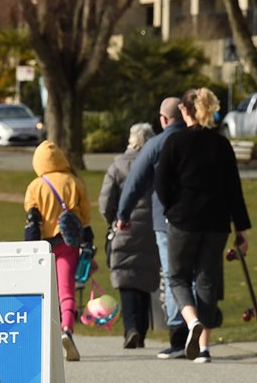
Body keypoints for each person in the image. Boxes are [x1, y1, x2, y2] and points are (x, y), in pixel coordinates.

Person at [154, 87, 252, 364]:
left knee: (178, 277)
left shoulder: (174, 143)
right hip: (217, 221)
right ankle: (205, 347)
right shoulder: (221, 144)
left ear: (184, 110)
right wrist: (240, 228)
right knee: (207, 279)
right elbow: (234, 189)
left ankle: (191, 320)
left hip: (184, 219)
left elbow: (161, 183)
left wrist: (172, 208)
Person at [116, 96, 188, 359]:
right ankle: (198, 330)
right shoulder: (197, 140)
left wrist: (123, 213)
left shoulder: (157, 144)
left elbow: (135, 182)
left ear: (164, 119)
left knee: (172, 276)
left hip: (165, 219)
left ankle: (178, 333)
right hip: (200, 220)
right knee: (195, 275)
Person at [24, 140, 92, 361]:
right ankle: (67, 330)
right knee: (66, 290)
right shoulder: (74, 182)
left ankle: (43, 338)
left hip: (44, 246)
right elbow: (85, 216)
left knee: (43, 292)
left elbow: (32, 216)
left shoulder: (35, 186)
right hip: (68, 242)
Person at [99, 123, 159, 348]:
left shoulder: (117, 166)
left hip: (125, 226)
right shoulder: (155, 164)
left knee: (126, 278)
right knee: (145, 278)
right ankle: (141, 332)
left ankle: (131, 328)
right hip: (151, 228)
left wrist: (112, 220)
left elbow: (106, 201)